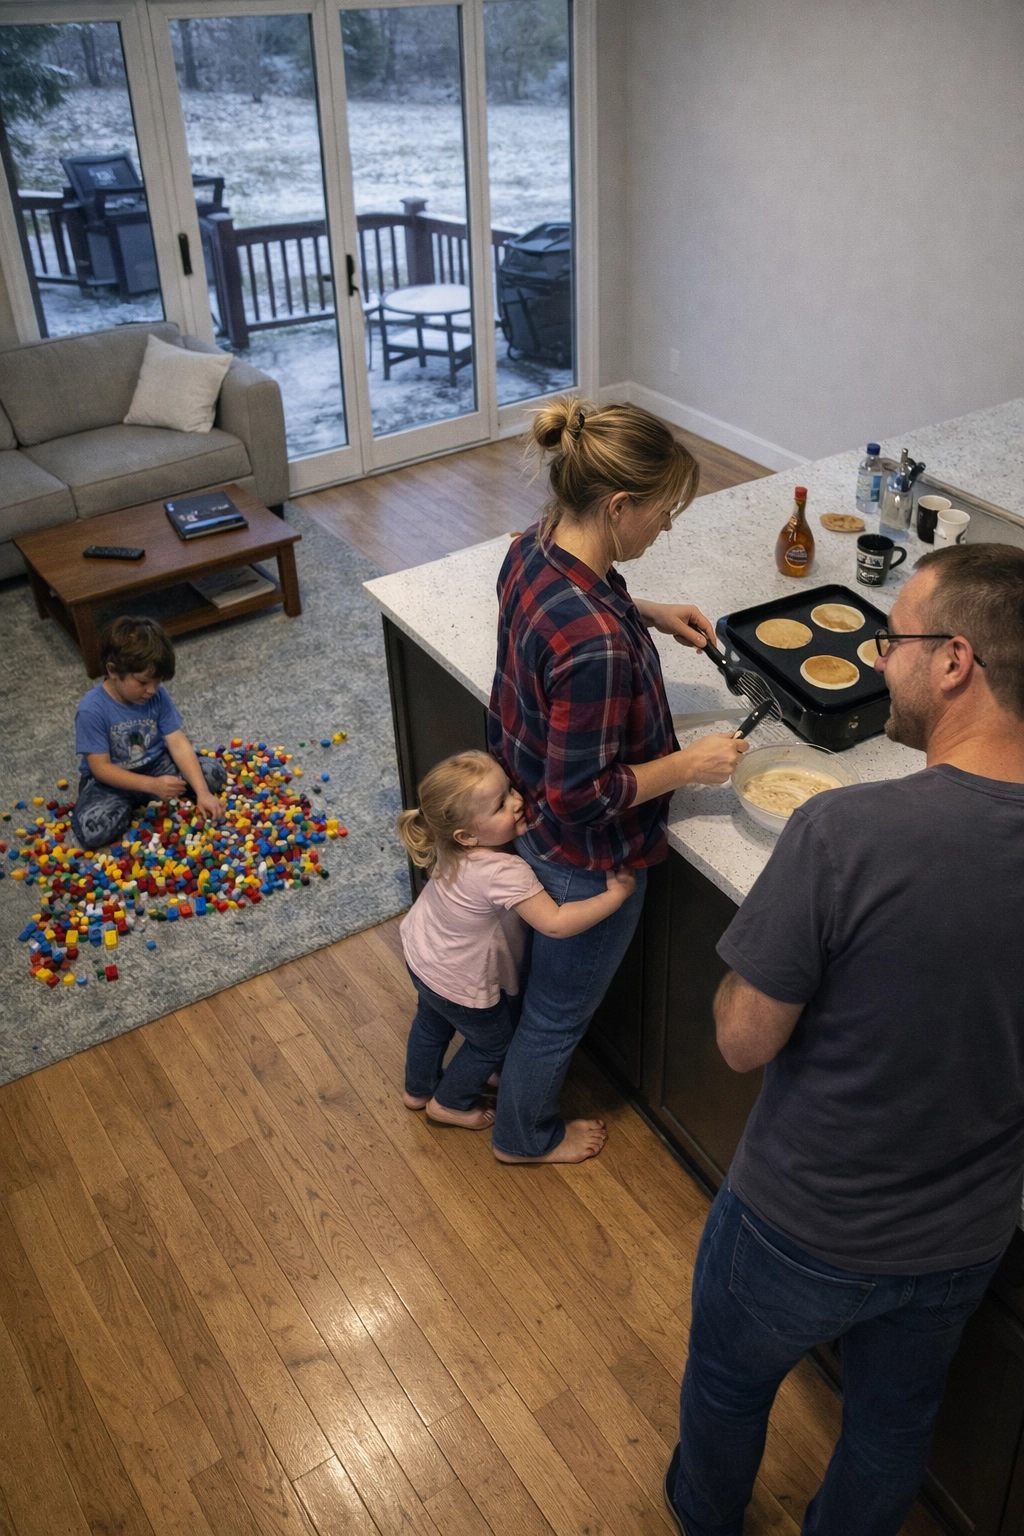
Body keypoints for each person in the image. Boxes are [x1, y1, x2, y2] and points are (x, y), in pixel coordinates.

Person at [665, 543, 1024, 1536]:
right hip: (964, 1238)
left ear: (954, 660)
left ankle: (702, 1519)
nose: (876, 657)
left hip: (802, 1223)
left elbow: (744, 1041)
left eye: (892, 636)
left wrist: (756, 971)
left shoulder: (847, 833)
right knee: (888, 1428)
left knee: (730, 1390)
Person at [488, 396, 750, 1164]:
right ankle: (522, 1135)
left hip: (527, 809)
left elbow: (578, 602)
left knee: (539, 995)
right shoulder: (595, 645)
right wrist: (686, 766)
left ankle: (505, 1092)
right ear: (620, 505)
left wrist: (645, 609)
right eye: (664, 513)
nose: (667, 527)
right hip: (581, 858)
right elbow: (583, 794)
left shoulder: (530, 546)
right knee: (556, 1014)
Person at [398, 750, 636, 1130]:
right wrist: (614, 898)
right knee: (492, 1044)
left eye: (509, 788)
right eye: (500, 805)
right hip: (461, 984)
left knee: (430, 1023)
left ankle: (417, 1089)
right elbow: (555, 923)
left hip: (421, 959)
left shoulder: (447, 846)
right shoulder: (505, 872)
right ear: (468, 835)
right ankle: (450, 1102)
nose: (517, 801)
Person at [71, 616, 226, 851]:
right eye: (143, 682)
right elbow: (100, 768)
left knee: (214, 774)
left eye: (158, 681)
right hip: (112, 780)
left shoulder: (157, 696)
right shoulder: (92, 709)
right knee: (93, 829)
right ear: (113, 671)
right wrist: (152, 786)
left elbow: (177, 742)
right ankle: (136, 801)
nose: (152, 690)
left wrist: (203, 793)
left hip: (156, 764)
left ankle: (144, 801)